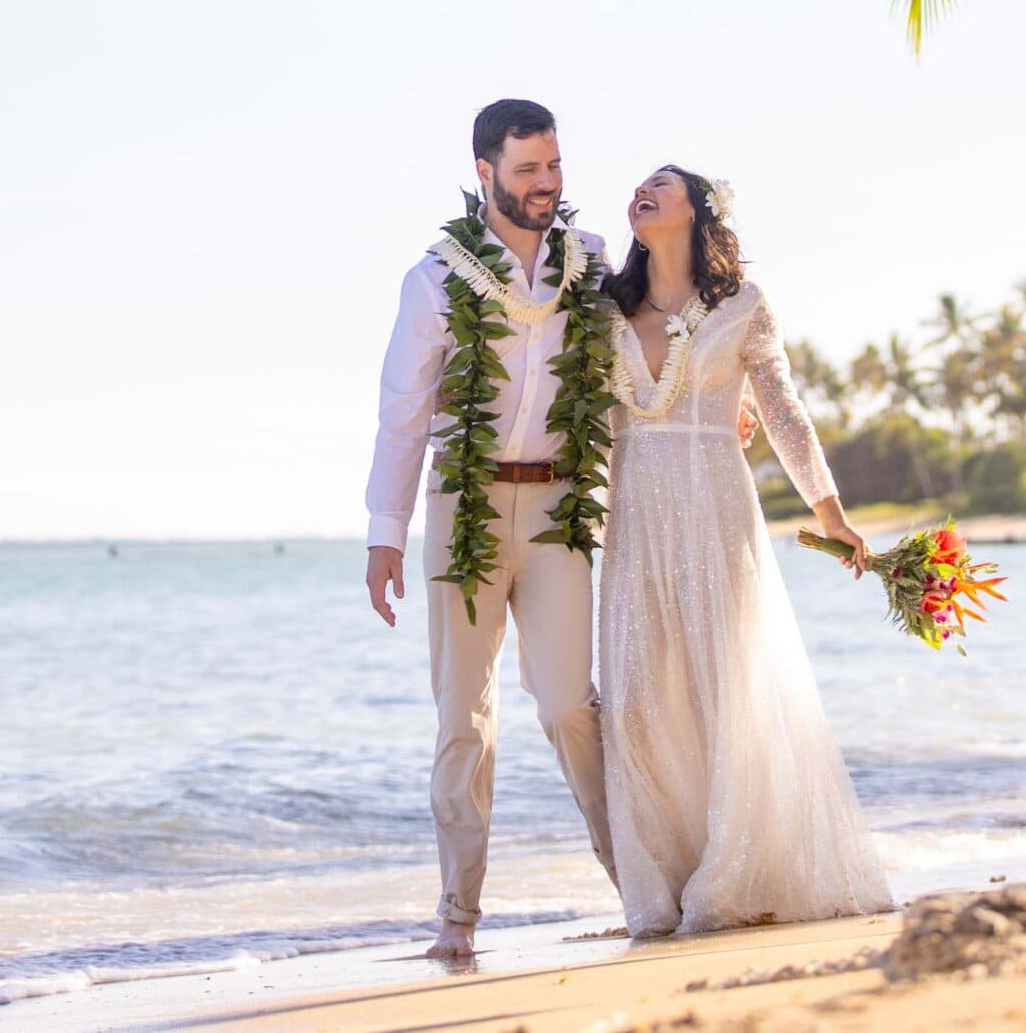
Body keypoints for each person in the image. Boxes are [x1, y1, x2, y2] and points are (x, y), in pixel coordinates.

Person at [595, 165, 895, 936]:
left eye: (660, 182)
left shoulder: (744, 307)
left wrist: (829, 511)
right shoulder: (604, 312)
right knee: (634, 696)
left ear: (696, 210)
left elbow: (783, 411)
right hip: (634, 520)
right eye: (637, 183)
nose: (642, 189)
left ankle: (731, 875)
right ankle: (658, 882)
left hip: (715, 510)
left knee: (722, 684)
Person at [363, 100, 616, 961]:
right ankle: (457, 916)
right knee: (463, 716)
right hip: (462, 503)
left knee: (567, 704)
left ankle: (636, 877)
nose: (546, 185)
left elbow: (631, 361)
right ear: (485, 174)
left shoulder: (590, 265)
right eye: (527, 171)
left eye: (553, 167)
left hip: (559, 509)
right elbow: (402, 411)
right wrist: (384, 532)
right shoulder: (435, 279)